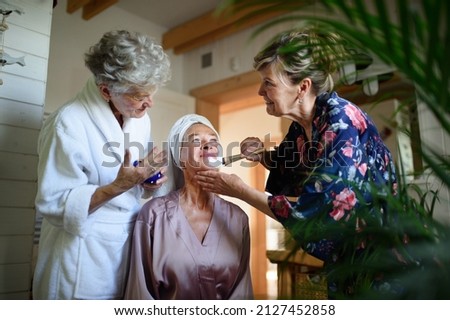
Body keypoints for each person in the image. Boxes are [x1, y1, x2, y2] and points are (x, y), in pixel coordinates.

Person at [195, 27, 398, 298]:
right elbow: (288, 167)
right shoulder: (302, 128)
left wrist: (238, 190)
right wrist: (262, 155)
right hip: (346, 262)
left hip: (381, 262)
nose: (260, 91)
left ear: (302, 87)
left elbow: (317, 213)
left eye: (268, 83)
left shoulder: (341, 122)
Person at [32, 30, 171, 299]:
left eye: (152, 93)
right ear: (107, 89)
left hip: (124, 245)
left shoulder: (139, 118)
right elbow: (54, 204)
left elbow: (134, 176)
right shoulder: (68, 123)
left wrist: (146, 178)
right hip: (79, 255)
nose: (149, 103)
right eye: (140, 95)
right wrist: (118, 186)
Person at [124, 114, 253, 300]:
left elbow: (243, 293)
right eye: (196, 141)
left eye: (213, 141)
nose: (208, 146)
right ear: (179, 157)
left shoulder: (237, 218)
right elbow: (140, 293)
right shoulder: (153, 216)